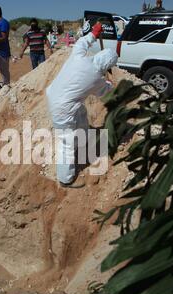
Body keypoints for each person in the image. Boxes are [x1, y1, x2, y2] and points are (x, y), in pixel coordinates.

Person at [46, 23, 118, 188]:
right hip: (62, 109)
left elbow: (81, 43)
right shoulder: (96, 80)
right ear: (107, 67)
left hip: (56, 95)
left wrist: (94, 34)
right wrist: (111, 84)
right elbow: (106, 93)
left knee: (81, 113)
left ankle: (84, 141)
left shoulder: (79, 56)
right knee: (67, 143)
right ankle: (66, 179)